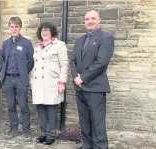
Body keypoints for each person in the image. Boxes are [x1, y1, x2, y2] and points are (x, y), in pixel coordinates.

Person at [70, 10, 114, 149]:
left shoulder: (105, 38)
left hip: (95, 86)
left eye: (93, 18)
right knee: (84, 119)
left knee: (97, 121)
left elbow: (101, 63)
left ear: (99, 20)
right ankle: (87, 144)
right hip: (80, 87)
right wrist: (76, 78)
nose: (90, 21)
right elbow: (72, 61)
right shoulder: (80, 40)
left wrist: (82, 77)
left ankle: (100, 146)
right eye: (87, 19)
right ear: (84, 21)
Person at [31, 22, 69, 145]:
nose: (45, 32)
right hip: (38, 83)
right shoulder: (37, 46)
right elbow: (35, 65)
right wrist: (31, 81)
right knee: (41, 109)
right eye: (43, 30)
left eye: (47, 30)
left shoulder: (59, 45)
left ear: (52, 32)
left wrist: (62, 82)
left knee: (51, 110)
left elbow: (64, 64)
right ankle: (43, 133)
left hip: (52, 82)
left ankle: (51, 135)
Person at [1, 16, 34, 142]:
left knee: (23, 106)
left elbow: (31, 62)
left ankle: (26, 131)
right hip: (8, 79)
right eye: (12, 26)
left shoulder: (26, 43)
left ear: (20, 27)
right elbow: (4, 60)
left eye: (16, 26)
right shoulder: (5, 43)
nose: (14, 29)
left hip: (21, 80)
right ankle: (13, 128)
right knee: (10, 106)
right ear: (9, 28)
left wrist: (24, 72)